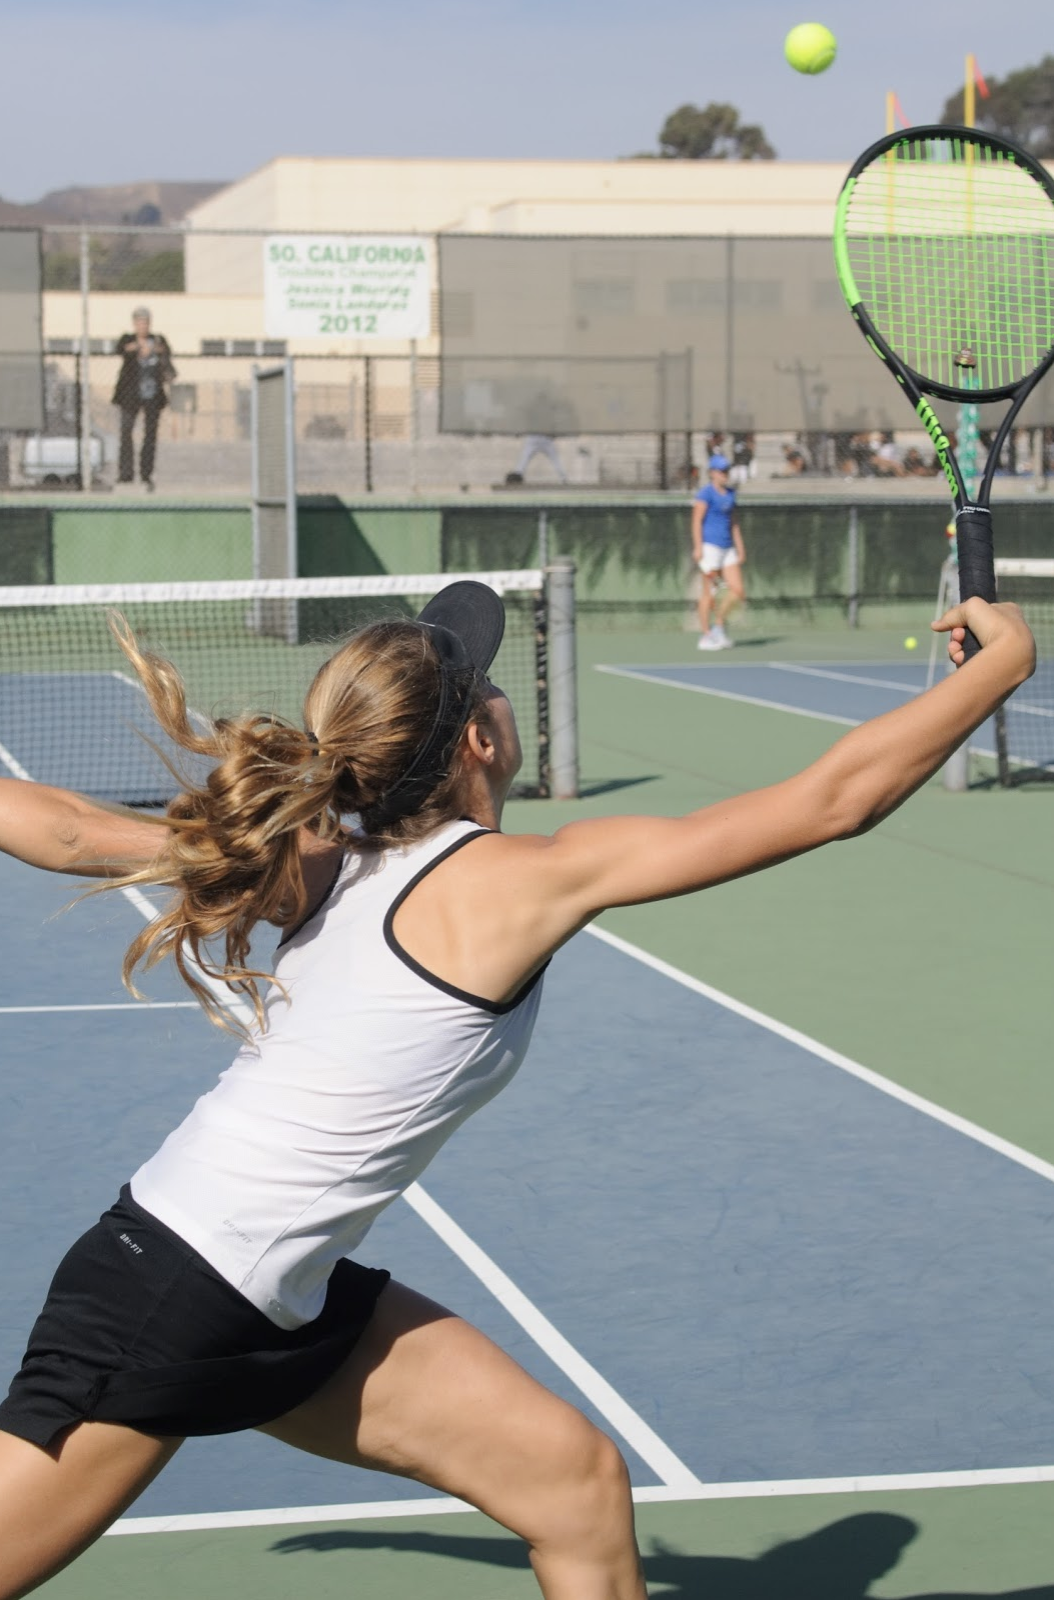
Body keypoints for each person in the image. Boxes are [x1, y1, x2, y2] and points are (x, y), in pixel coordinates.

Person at [0, 579, 1035, 1600]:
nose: (502, 697)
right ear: (477, 743)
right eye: (489, 685)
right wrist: (1007, 662)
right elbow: (830, 801)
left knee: (571, 1484)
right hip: (173, 1296)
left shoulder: (316, 863)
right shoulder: (512, 879)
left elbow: (71, 828)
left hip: (270, 1289)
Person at [111, 307, 176, 491]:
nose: (143, 326)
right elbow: (120, 349)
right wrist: (138, 348)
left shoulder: (158, 340)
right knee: (126, 432)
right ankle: (126, 474)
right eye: (139, 322)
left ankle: (146, 474)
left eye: (145, 322)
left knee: (150, 436)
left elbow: (167, 353)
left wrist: (155, 350)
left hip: (152, 395)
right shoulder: (128, 339)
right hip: (130, 395)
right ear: (134, 324)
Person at [691, 452, 746, 650]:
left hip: (727, 548)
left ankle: (718, 627)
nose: (725, 474)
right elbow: (697, 521)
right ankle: (705, 636)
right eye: (721, 471)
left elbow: (734, 523)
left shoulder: (731, 494)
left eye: (726, 470)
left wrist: (740, 547)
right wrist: (698, 547)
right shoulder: (705, 494)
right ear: (712, 473)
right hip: (710, 548)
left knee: (738, 591)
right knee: (710, 593)